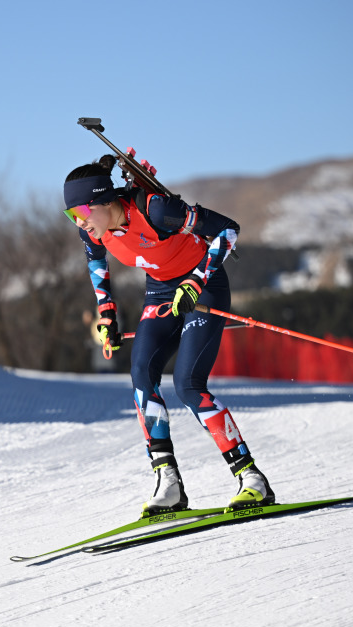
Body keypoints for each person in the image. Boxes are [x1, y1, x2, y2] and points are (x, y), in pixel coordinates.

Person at [63, 155, 275, 516]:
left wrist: (195, 280)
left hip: (203, 286)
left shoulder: (157, 212)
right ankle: (168, 484)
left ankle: (252, 479)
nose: (79, 222)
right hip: (161, 292)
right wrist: (107, 314)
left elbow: (228, 230)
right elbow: (97, 265)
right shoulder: (92, 231)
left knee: (188, 384)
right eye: (71, 216)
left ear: (102, 200)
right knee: (141, 375)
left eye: (80, 211)